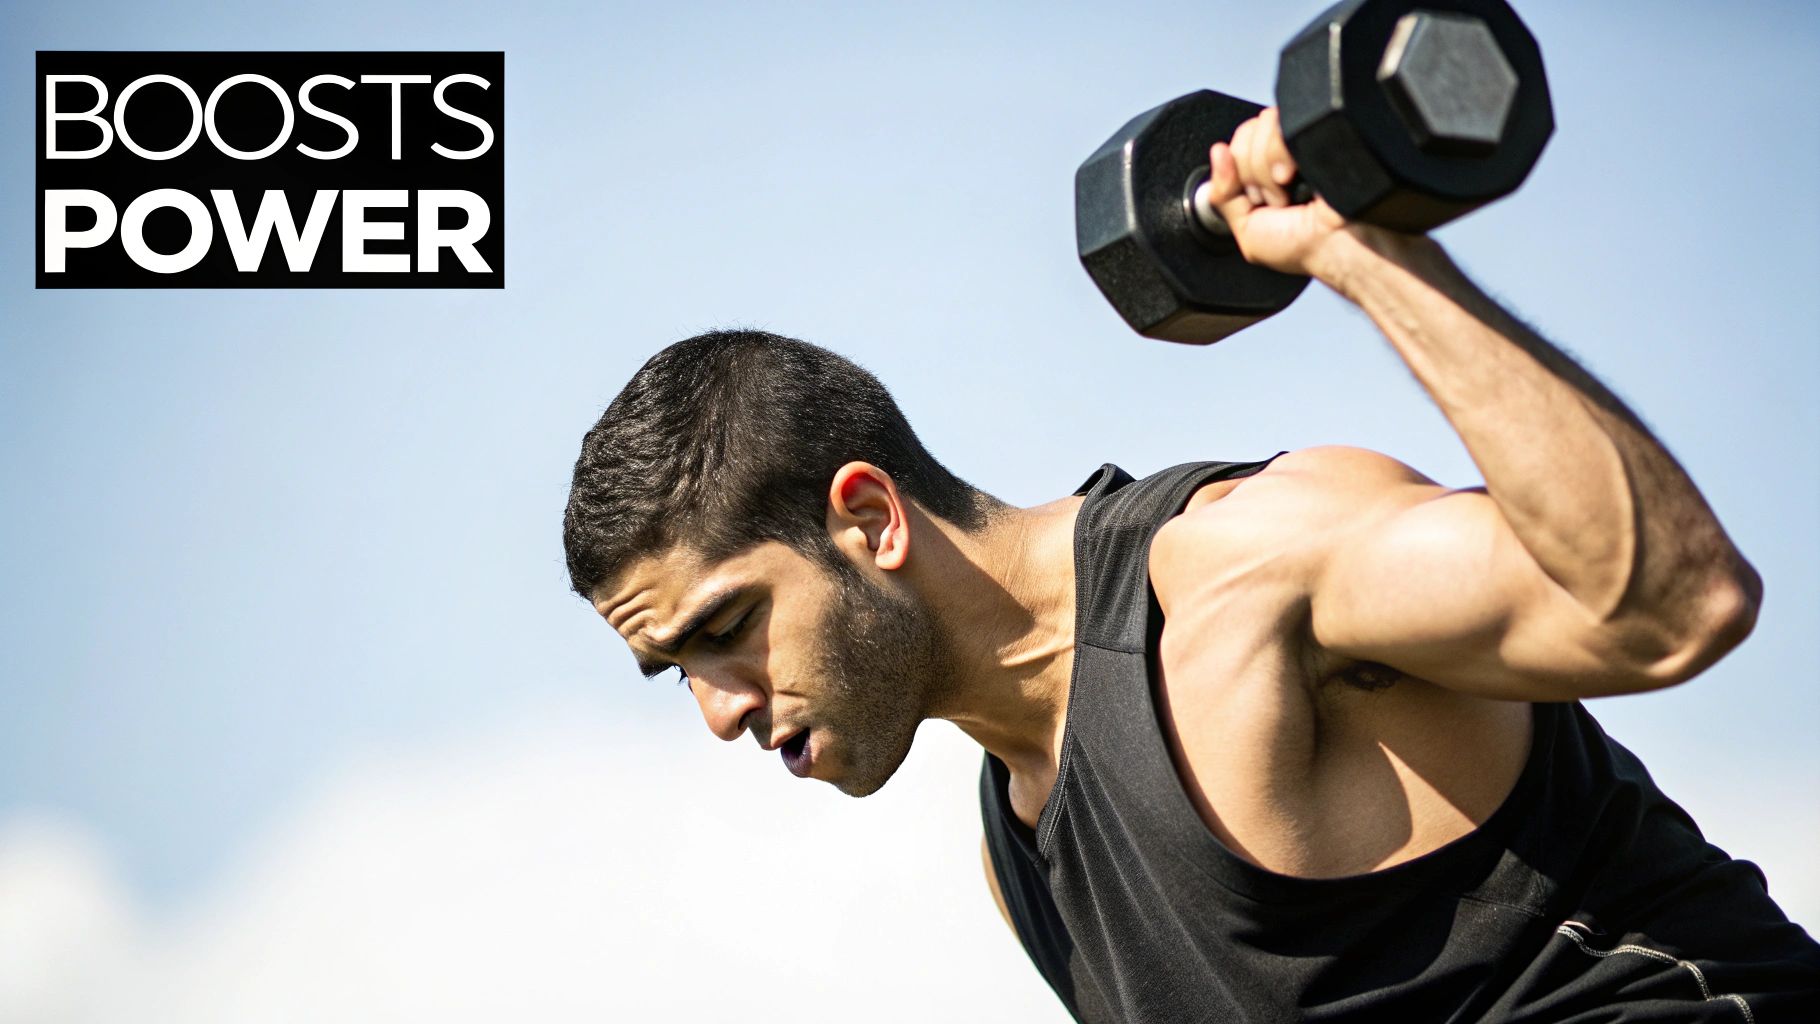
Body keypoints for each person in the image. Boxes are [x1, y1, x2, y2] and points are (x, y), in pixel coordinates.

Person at [561, 108, 1820, 1021]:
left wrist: (1360, 251)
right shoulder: (1025, 858)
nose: (718, 711)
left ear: (868, 520)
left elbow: (1670, 603)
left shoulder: (1243, 572)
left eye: (724, 626)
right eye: (673, 671)